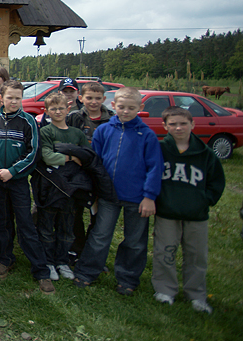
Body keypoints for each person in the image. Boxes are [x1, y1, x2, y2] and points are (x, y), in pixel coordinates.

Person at [73, 87, 164, 295]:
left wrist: (149, 197)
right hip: (108, 195)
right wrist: (94, 191)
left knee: (134, 240)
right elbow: (95, 163)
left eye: (131, 108)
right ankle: (87, 272)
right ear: (113, 106)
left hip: (137, 198)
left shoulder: (147, 135)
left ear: (140, 108)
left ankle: (128, 278)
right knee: (100, 235)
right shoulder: (104, 131)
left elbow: (155, 168)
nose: (125, 111)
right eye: (121, 107)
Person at [0, 80, 54, 294]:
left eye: (18, 98)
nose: (14, 102)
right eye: (10, 97)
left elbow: (34, 153)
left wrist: (12, 171)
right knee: (0, 221)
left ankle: (40, 270)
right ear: (1, 98)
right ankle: (6, 258)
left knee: (25, 224)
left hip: (17, 180)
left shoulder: (28, 121)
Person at [152, 107, 225, 313]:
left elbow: (216, 182)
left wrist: (204, 200)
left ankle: (196, 294)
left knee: (196, 254)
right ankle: (165, 289)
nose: (178, 127)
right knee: (165, 251)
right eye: (173, 124)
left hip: (196, 214)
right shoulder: (160, 149)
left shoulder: (205, 154)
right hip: (167, 211)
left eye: (183, 123)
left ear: (192, 124)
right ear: (165, 126)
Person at [34, 92, 90, 281]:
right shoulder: (46, 132)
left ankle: (62, 261)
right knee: (47, 226)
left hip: (72, 187)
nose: (58, 111)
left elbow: (86, 157)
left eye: (61, 108)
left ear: (68, 108)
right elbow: (48, 157)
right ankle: (48, 261)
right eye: (53, 108)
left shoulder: (76, 133)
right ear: (47, 111)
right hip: (50, 186)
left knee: (67, 226)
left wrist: (75, 156)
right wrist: (71, 156)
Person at [66, 81, 115, 257]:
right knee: (75, 212)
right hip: (78, 172)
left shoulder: (111, 119)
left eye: (97, 98)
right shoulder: (74, 117)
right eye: (89, 98)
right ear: (81, 98)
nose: (93, 102)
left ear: (104, 99)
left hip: (102, 172)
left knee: (99, 214)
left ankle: (92, 251)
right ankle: (76, 247)